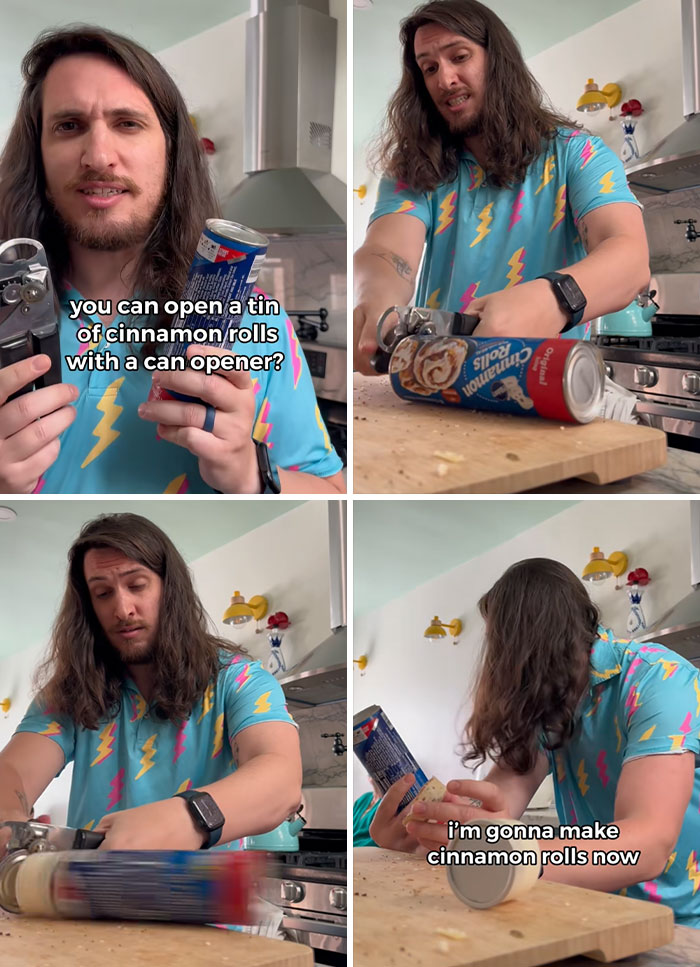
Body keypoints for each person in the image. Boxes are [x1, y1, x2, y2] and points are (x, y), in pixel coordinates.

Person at [0, 26, 345, 494]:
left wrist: (249, 473)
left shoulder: (256, 322)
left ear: (171, 156)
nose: (99, 156)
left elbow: (334, 488)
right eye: (69, 125)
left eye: (128, 123)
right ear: (38, 163)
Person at [369, 559, 700, 929]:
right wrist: (428, 833)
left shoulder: (658, 678)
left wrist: (509, 852)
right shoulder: (548, 704)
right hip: (595, 916)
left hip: (682, 928)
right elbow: (495, 807)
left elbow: (647, 845)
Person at [353, 0, 650, 375]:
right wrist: (375, 301)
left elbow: (630, 256)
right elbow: (385, 250)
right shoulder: (417, 170)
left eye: (459, 57)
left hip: (544, 390)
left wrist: (552, 299)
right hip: (436, 385)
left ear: (498, 62)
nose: (444, 80)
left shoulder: (579, 154)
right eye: (430, 68)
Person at [0, 512, 302, 857]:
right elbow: (13, 771)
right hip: (89, 905)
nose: (122, 608)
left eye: (137, 585)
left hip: (208, 907)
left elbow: (282, 779)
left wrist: (188, 818)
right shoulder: (70, 693)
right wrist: (7, 817)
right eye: (102, 593)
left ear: (169, 589)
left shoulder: (240, 680)